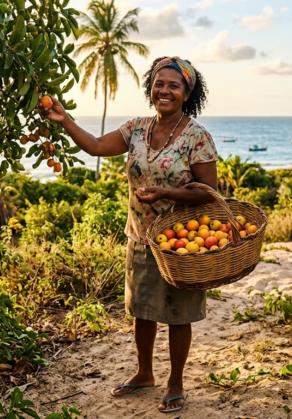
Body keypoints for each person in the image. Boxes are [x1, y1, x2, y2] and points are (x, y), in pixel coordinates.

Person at [39, 56, 218, 414]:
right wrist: (64, 119)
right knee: (143, 310)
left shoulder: (197, 137)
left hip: (181, 242)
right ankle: (144, 373)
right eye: (159, 83)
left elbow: (208, 191)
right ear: (150, 87)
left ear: (187, 93)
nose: (164, 90)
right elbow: (95, 146)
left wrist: (166, 193)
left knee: (178, 314)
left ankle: (176, 381)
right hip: (140, 236)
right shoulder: (137, 128)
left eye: (174, 85)